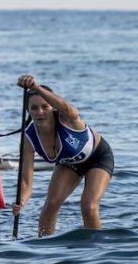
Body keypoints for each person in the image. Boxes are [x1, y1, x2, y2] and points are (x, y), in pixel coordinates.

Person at [12, 75, 114, 236]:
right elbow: (26, 181)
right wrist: (22, 201)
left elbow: (67, 108)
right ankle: (46, 247)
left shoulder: (68, 118)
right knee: (50, 205)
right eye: (34, 108)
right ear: (28, 110)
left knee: (88, 206)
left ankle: (95, 249)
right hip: (70, 163)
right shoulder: (28, 139)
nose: (40, 112)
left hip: (98, 157)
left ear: (52, 107)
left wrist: (36, 87)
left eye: (45, 106)